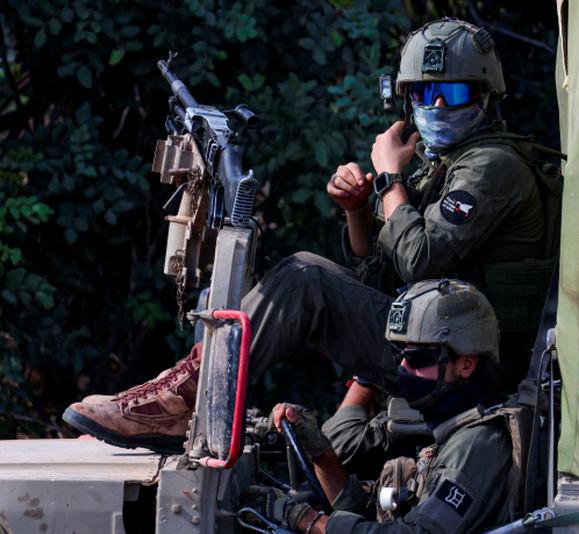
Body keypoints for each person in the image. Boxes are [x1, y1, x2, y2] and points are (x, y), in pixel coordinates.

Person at [62, 17, 545, 454]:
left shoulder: (491, 167)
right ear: (405, 99)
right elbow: (375, 264)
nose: (437, 106)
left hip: (469, 364)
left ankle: (177, 399)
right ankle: (182, 391)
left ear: (485, 96)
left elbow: (421, 261)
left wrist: (389, 179)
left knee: (304, 279)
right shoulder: (446, 166)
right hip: (437, 344)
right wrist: (358, 208)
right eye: (424, 93)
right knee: (309, 278)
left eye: (455, 93)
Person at [251, 280, 516, 534]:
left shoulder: (476, 445)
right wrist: (321, 454)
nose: (402, 369)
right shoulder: (451, 434)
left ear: (466, 365)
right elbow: (371, 517)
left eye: (417, 359)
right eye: (399, 356)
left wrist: (306, 521)